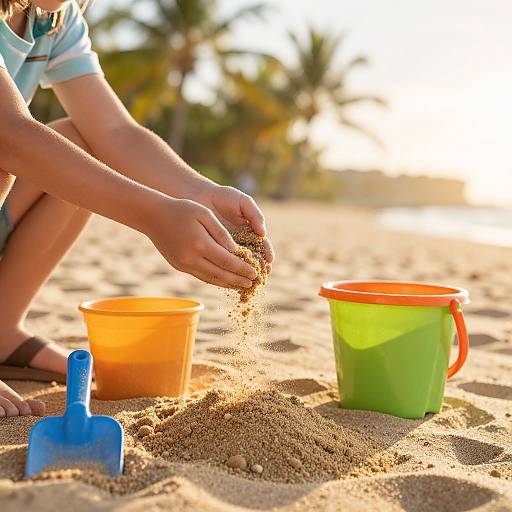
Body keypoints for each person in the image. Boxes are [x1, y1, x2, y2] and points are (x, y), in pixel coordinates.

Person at [0, 0, 274, 418]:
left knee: (80, 143)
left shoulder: (55, 19)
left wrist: (199, 192)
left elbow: (114, 130)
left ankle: (1, 325)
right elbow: (10, 136)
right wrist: (154, 216)